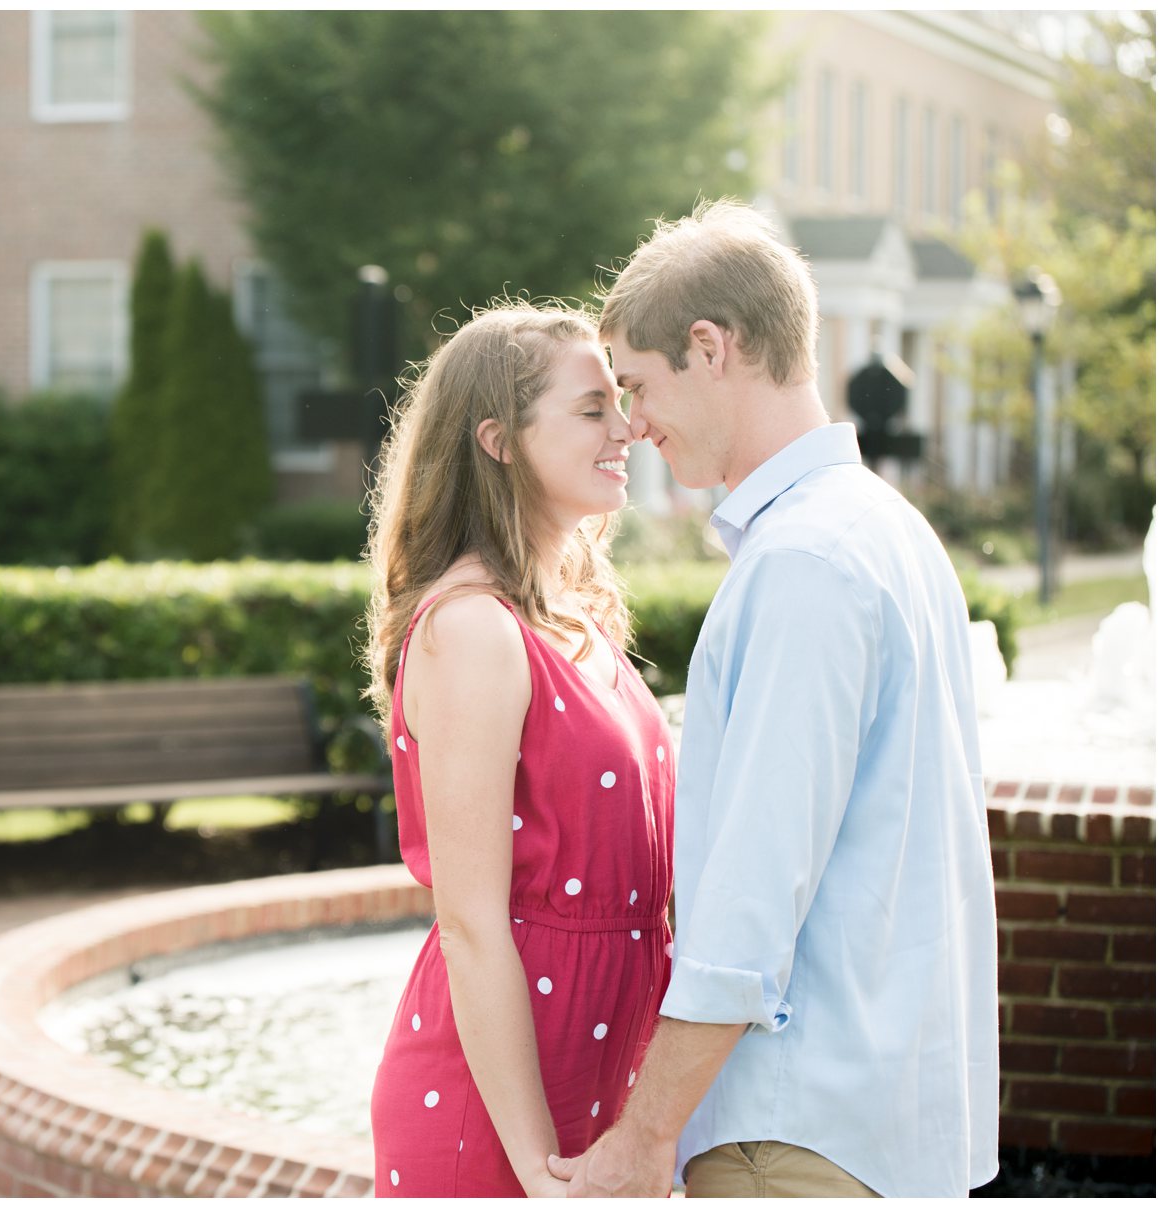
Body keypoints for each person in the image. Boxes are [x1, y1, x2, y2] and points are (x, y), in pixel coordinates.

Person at [547, 199, 999, 1197]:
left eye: (638, 384)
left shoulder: (805, 564)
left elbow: (748, 905)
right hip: (883, 1120)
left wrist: (644, 1133)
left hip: (792, 1137)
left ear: (710, 346)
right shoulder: (890, 531)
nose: (632, 422)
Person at [365, 300, 677, 1197]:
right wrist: (543, 1173)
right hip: (498, 1111)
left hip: (597, 1073)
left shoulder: (576, 616)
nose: (628, 428)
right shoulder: (473, 631)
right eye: (593, 410)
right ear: (499, 440)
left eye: (621, 402)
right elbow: (469, 923)